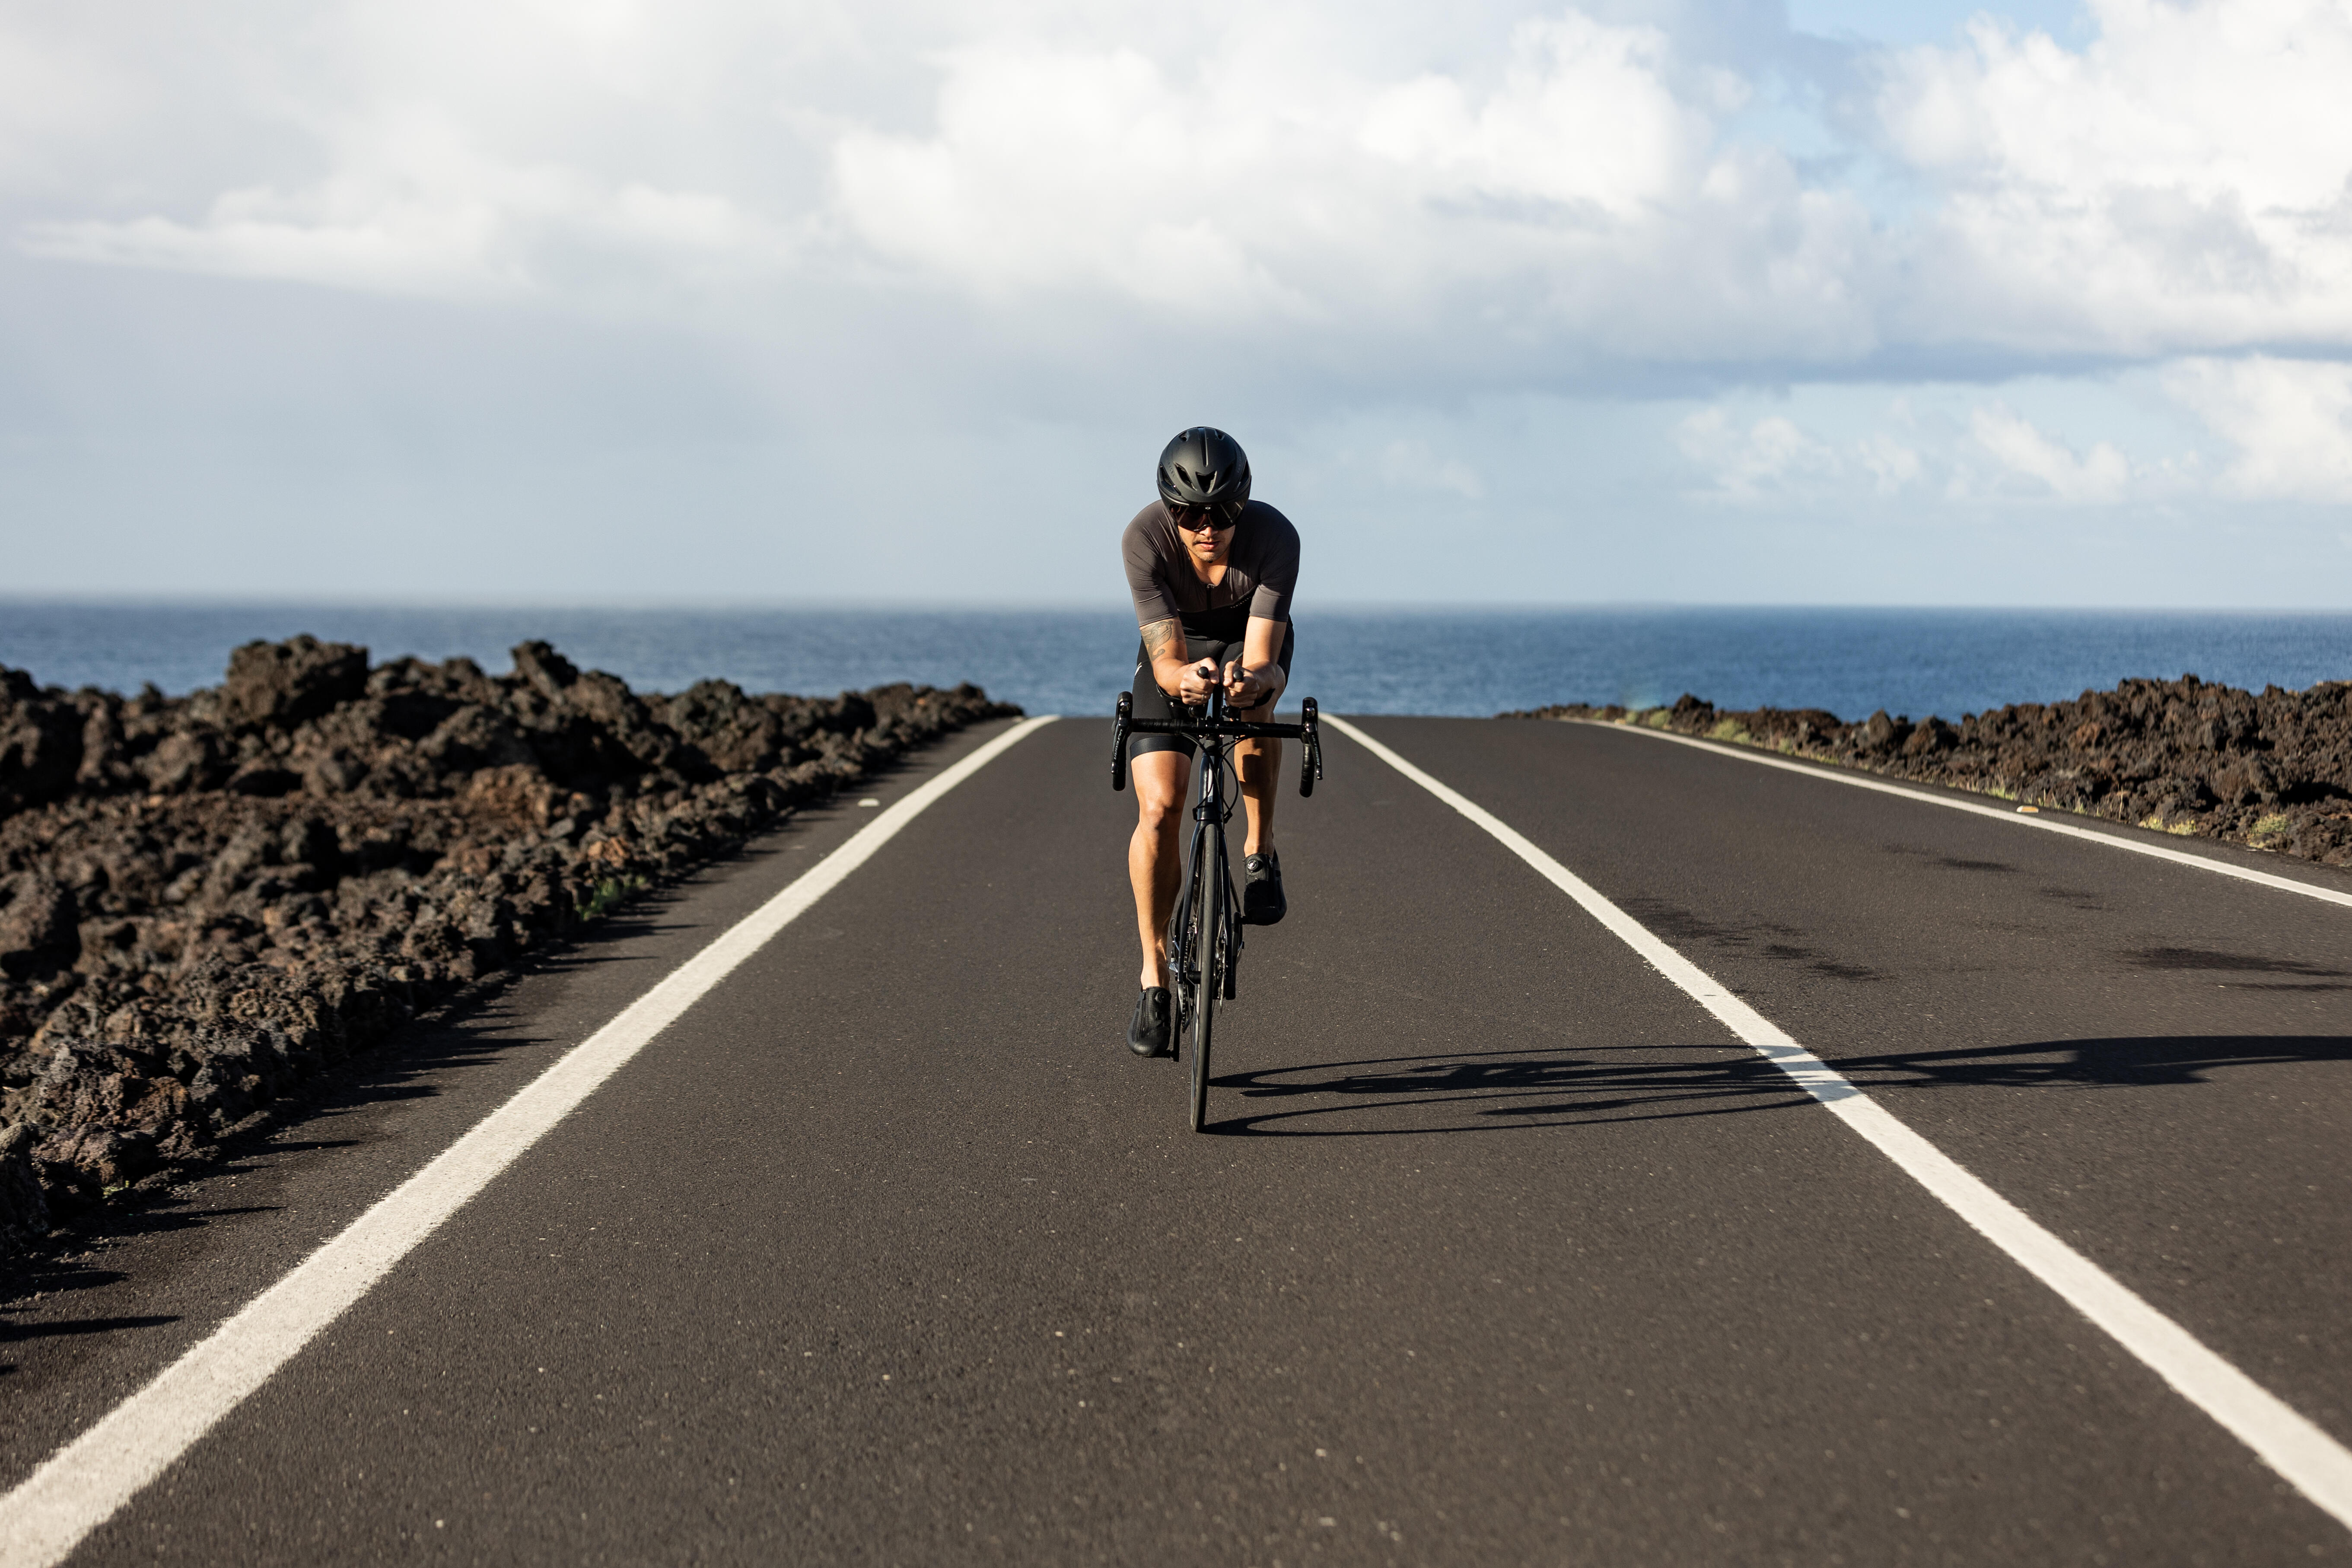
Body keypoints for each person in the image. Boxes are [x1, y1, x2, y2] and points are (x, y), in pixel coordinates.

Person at [1121, 426, 1301, 1058]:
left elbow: (1262, 655)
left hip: (1249, 646)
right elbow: (1166, 663)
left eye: (1222, 512)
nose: (1206, 526)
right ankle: (1153, 976)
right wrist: (1182, 678)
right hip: (1178, 653)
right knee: (1161, 806)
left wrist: (1255, 679)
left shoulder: (1275, 538)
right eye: (1190, 513)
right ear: (1169, 509)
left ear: (1243, 504)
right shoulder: (1144, 539)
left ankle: (1259, 849)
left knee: (1256, 702)